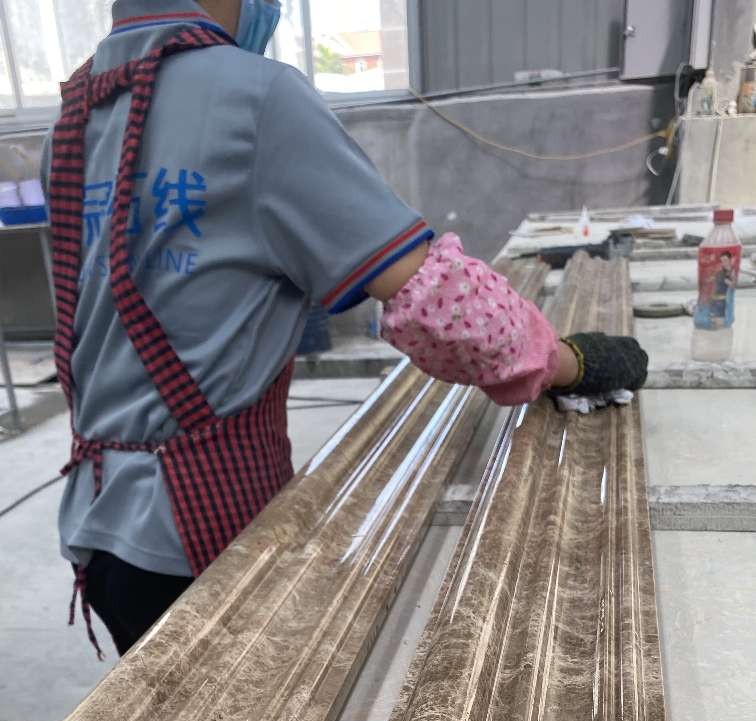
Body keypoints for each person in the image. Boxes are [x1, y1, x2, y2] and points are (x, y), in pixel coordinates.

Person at [44, 0, 648, 658]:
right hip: (198, 530)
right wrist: (566, 362)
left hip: (95, 524)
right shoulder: (253, 98)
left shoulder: (75, 116)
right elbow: (436, 300)